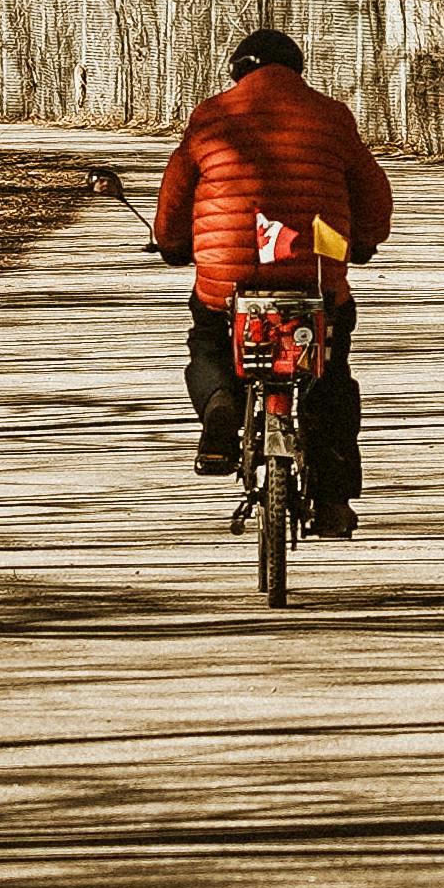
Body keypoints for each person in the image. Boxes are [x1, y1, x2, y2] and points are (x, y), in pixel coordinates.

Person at [149, 27, 393, 535]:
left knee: (209, 343)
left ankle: (220, 411)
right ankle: (331, 497)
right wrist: (365, 242)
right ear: (297, 70)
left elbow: (175, 196)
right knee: (330, 373)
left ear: (239, 70)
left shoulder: (211, 116)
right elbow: (373, 193)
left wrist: (173, 245)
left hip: (229, 281)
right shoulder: (332, 117)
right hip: (317, 280)